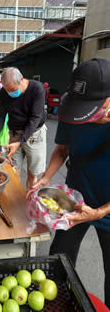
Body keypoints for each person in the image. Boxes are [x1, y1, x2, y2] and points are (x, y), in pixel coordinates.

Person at [28, 58, 110, 305]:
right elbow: (62, 149)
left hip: (106, 207)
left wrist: (97, 213)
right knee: (58, 260)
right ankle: (56, 306)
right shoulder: (71, 109)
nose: (82, 117)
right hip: (73, 200)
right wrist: (45, 177)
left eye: (91, 110)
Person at [0, 67, 47, 190]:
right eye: (7, 90)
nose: (10, 93)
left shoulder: (37, 89)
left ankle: (29, 202)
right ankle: (16, 201)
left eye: (12, 89)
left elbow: (35, 118)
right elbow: (0, 116)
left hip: (34, 135)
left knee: (33, 173)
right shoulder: (5, 92)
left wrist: (21, 141)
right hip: (14, 133)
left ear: (21, 79)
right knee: (13, 169)